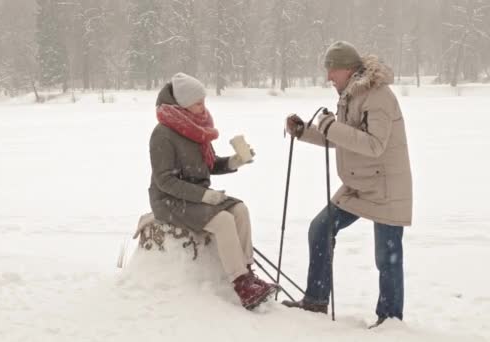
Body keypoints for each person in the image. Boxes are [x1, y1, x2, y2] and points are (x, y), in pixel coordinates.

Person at [282, 41, 413, 327]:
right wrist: (306, 131)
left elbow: (375, 145)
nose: (329, 77)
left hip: (385, 186)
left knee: (387, 254)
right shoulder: (349, 94)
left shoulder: (377, 96)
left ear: (349, 69)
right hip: (357, 183)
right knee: (320, 228)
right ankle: (315, 299)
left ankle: (390, 319)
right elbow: (342, 138)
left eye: (332, 70)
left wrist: (331, 126)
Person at [148, 72, 277, 310]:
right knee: (223, 220)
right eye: (198, 103)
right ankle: (241, 284)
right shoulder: (162, 134)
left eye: (204, 101)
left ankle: (248, 272)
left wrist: (234, 161)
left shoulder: (195, 127)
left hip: (195, 194)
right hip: (169, 200)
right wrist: (205, 196)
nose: (203, 107)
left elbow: (209, 164)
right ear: (183, 104)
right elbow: (165, 181)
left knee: (239, 209)